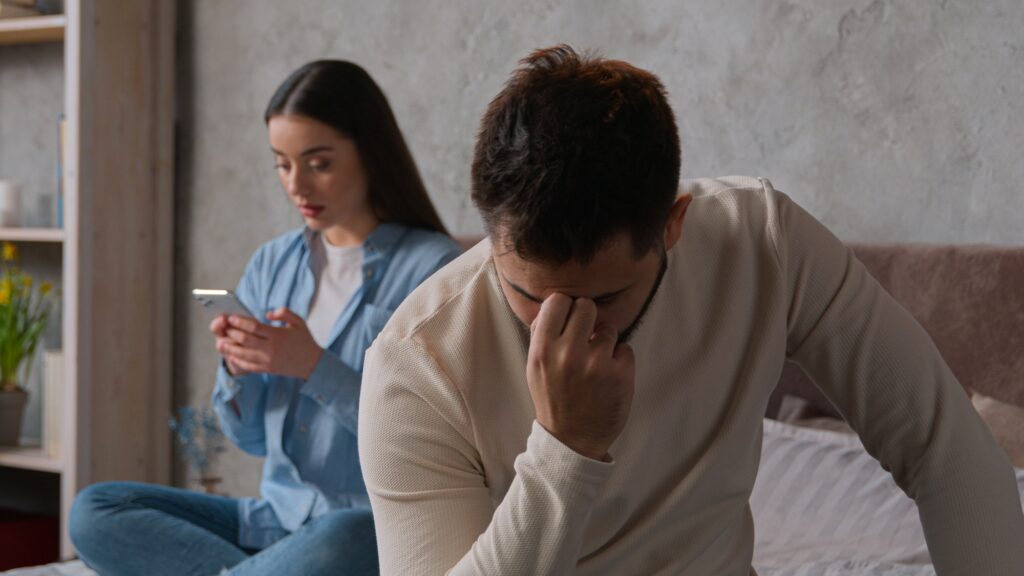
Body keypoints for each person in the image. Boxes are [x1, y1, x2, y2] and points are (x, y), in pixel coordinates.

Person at [357, 45, 1024, 575]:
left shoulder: (762, 243)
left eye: (604, 298)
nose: (567, 330)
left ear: (674, 223)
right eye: (529, 295)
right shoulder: (416, 367)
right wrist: (566, 449)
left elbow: (945, 449)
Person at [70, 60, 462, 576]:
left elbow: (436, 438)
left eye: (318, 163)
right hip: (273, 523)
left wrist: (314, 367)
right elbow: (251, 439)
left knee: (350, 534)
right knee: (95, 509)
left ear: (370, 151)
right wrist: (238, 370)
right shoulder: (272, 263)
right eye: (282, 164)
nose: (297, 185)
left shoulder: (435, 269)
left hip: (360, 531)